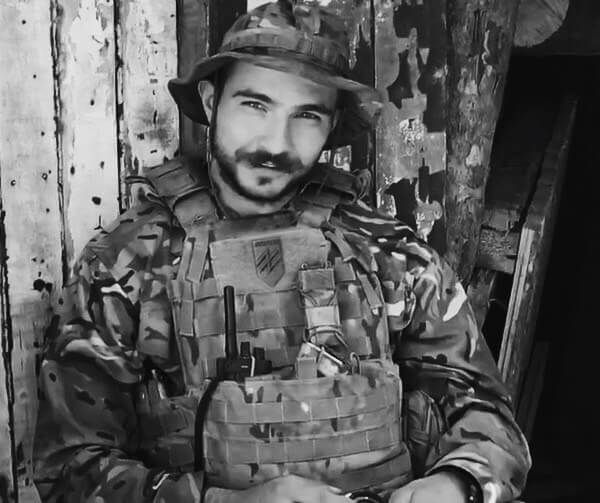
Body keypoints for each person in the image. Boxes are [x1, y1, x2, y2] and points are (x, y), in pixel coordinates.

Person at [33, 2, 531, 502]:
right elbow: (69, 469)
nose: (276, 142)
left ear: (332, 125)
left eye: (307, 116)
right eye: (255, 105)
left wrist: (458, 483)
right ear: (210, 100)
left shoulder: (389, 255)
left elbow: (488, 415)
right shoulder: (126, 266)